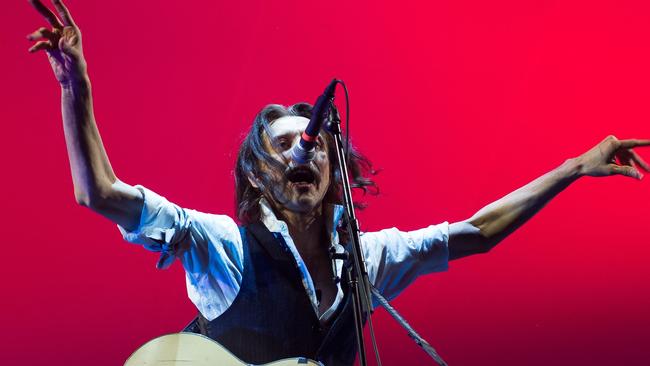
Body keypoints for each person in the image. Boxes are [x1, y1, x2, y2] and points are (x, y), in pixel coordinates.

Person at [26, 0, 650, 365]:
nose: (305, 146)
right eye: (283, 144)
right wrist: (74, 87)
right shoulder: (222, 247)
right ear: (257, 173)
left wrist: (574, 168)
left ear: (336, 171)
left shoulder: (369, 261)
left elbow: (477, 233)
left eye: (318, 141)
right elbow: (100, 193)